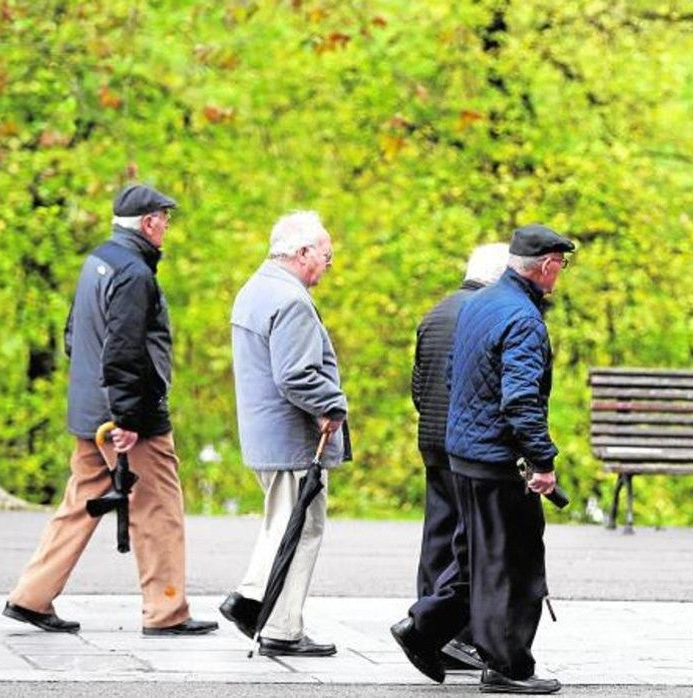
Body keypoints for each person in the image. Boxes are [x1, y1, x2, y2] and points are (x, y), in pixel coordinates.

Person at [4, 184, 218, 636]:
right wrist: (127, 419)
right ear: (147, 223)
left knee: (80, 503)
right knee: (158, 508)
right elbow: (124, 352)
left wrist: (98, 400)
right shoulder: (135, 274)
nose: (167, 227)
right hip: (126, 419)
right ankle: (166, 611)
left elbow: (72, 335)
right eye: (164, 218)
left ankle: (31, 596)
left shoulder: (97, 260)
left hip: (90, 409)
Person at [391, 224, 573, 695]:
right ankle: (508, 666)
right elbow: (520, 401)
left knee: (475, 558)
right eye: (562, 264)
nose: (561, 273)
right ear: (548, 265)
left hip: (464, 455)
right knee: (513, 565)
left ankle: (424, 629)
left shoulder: (479, 305)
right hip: (498, 460)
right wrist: (543, 461)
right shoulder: (524, 319)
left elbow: (455, 377)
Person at [219, 211, 350, 657]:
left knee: (282, 524)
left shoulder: (254, 289)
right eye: (326, 255)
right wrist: (332, 405)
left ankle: (255, 603)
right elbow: (295, 375)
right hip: (291, 439)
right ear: (302, 253)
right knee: (301, 528)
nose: (330, 264)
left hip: (264, 436)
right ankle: (277, 623)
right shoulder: (290, 300)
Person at [410, 243, 510, 672]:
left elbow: (418, 382)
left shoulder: (435, 312)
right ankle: (456, 636)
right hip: (466, 445)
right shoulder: (485, 315)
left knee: (438, 535)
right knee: (472, 541)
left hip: (431, 437)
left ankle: (427, 628)